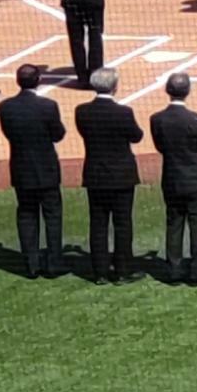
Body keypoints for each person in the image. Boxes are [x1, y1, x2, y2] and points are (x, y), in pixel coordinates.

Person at [75, 68, 144, 283]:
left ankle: (100, 272)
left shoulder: (82, 111)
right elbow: (137, 136)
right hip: (121, 176)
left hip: (95, 175)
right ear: (115, 86)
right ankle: (123, 270)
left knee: (98, 223)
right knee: (123, 224)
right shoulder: (123, 112)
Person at [0, 63, 66, 277]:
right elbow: (58, 134)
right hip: (46, 170)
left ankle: (31, 264)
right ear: (39, 81)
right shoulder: (48, 106)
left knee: (27, 215)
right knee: (52, 216)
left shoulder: (6, 107)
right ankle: (54, 263)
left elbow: (8, 133)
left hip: (21, 169)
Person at [150, 72, 197, 283]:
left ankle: (174, 269)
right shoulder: (195, 119)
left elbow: (160, 146)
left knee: (174, 223)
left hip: (171, 178)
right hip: (195, 179)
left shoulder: (157, 119)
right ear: (187, 91)